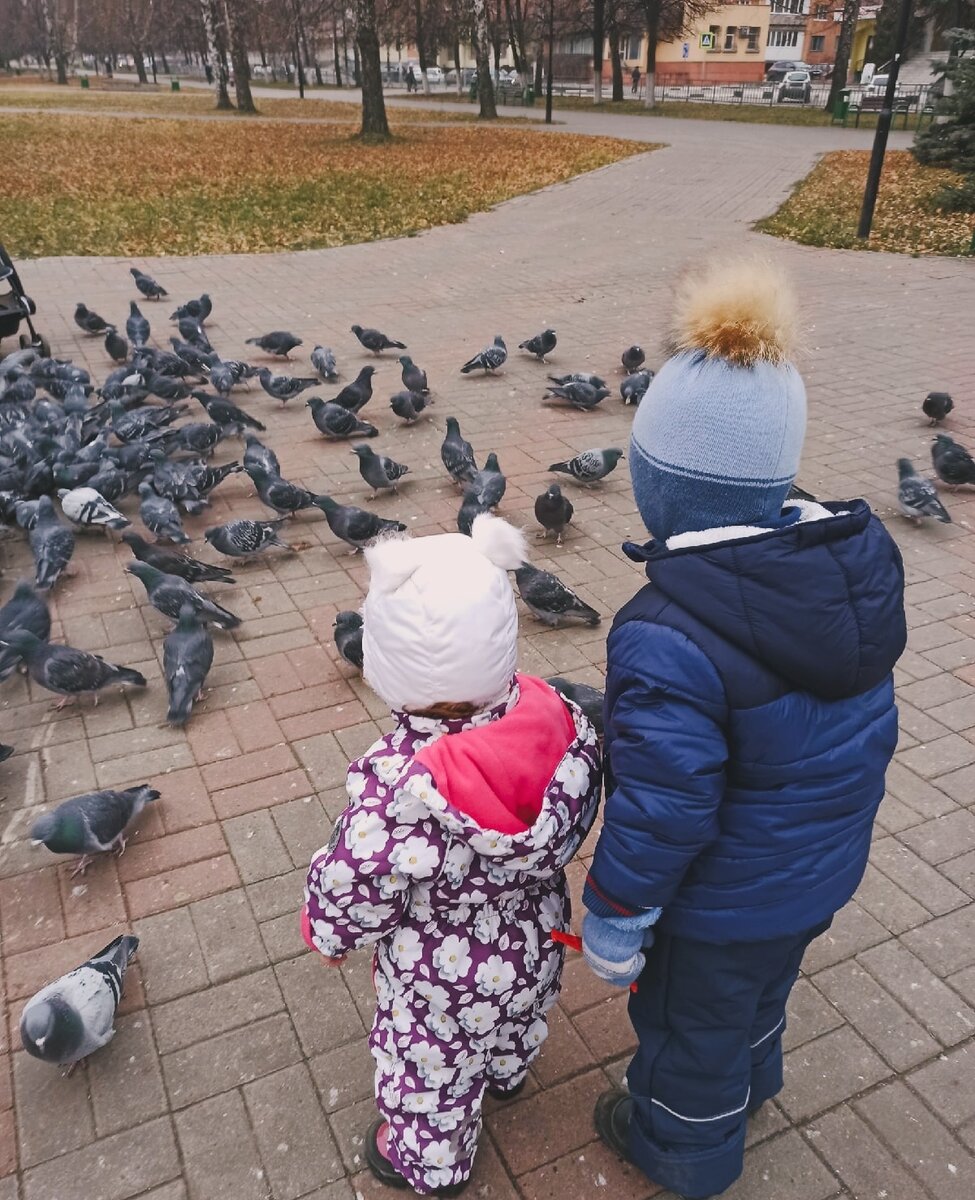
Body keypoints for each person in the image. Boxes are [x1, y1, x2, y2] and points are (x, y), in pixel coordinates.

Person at [581, 258, 906, 1200]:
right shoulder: (846, 579)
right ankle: (755, 1078)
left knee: (687, 1033)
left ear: (662, 490)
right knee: (758, 997)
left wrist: (615, 914)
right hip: (814, 875)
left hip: (719, 907)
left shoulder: (663, 631)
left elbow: (665, 808)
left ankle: (681, 1152)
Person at [303, 515, 602, 1196]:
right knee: (516, 1012)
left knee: (428, 1071)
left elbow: (355, 881)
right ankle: (506, 1070)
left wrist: (329, 932)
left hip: (440, 971)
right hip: (534, 936)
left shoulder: (399, 787)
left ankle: (429, 1162)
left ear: (386, 665)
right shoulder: (559, 718)